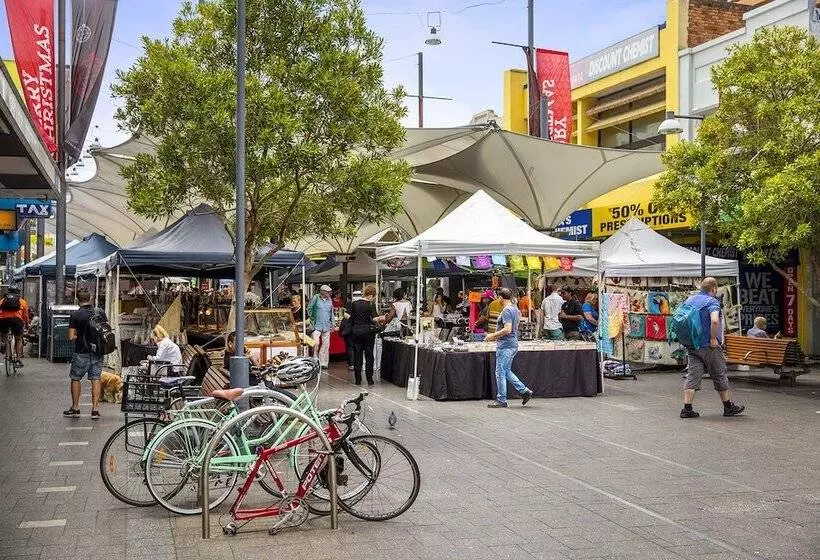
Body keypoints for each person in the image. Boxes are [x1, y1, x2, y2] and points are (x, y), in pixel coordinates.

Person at [680, 277, 745, 419]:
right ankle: (728, 407)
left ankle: (687, 408)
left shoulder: (690, 300)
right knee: (719, 374)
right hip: (709, 346)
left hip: (693, 345)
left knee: (693, 375)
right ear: (713, 289)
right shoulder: (712, 302)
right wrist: (713, 338)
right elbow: (715, 320)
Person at [485, 288, 533, 408]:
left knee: (500, 371)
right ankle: (524, 391)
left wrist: (492, 335)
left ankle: (501, 399)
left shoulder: (506, 311)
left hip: (505, 345)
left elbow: (507, 329)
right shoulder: (515, 309)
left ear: (500, 297)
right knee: (506, 370)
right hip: (512, 344)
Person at [63, 289, 106, 420]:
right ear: (91, 298)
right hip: (97, 351)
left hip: (81, 351)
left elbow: (71, 337)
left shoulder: (75, 315)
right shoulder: (99, 312)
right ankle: (95, 410)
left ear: (77, 300)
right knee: (96, 379)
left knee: (76, 378)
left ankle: (75, 407)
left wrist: (79, 335)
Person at [350, 285, 379, 386]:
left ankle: (358, 379)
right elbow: (375, 319)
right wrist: (382, 318)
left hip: (356, 331)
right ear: (371, 295)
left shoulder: (354, 304)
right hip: (368, 332)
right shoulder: (371, 305)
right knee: (369, 355)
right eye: (374, 296)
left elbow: (350, 317)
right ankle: (369, 379)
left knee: (357, 355)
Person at [0, 286, 30, 369]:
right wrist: (27, 324)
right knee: (18, 339)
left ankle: (3, 345)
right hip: (16, 321)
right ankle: (17, 359)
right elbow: (26, 315)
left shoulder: (3, 300)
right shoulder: (22, 301)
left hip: (3, 320)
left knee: (3, 335)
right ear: (18, 293)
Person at [308, 285, 334, 370]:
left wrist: (332, 324)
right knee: (316, 343)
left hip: (326, 325)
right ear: (322, 291)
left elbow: (331, 312)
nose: (329, 293)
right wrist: (312, 319)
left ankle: (323, 362)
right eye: (327, 292)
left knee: (326, 344)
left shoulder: (329, 300)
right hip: (317, 325)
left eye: (329, 292)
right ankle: (315, 360)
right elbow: (309, 308)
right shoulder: (315, 298)